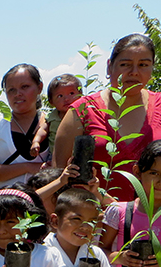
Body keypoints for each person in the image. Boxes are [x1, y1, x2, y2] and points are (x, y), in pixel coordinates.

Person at [53, 34, 161, 203]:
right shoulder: (82, 110)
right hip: (92, 221)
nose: (134, 72)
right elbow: (59, 174)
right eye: (125, 64)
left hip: (152, 222)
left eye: (143, 65)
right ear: (109, 67)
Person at [0, 64, 49, 193]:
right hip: (5, 205)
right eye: (11, 90)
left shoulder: (53, 123)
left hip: (46, 206)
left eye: (24, 87)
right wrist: (28, 167)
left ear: (39, 87)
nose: (18, 94)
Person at [30, 74, 82, 157]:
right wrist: (36, 142)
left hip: (78, 155)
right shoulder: (52, 117)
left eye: (71, 93)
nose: (66, 99)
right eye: (60, 96)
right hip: (55, 156)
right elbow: (43, 130)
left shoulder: (83, 114)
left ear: (80, 95)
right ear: (51, 101)